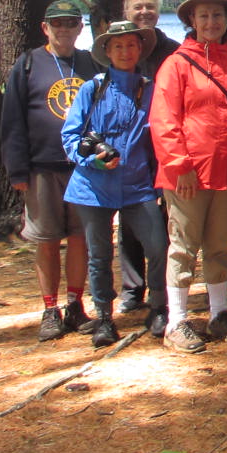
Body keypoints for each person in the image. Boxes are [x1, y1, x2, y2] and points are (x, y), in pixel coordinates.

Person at [150, 0, 227, 353]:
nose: (211, 22)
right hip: (188, 175)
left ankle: (219, 313)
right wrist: (180, 165)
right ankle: (177, 320)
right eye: (204, 15)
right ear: (192, 20)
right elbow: (163, 120)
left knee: (220, 246)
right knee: (183, 247)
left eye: (217, 15)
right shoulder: (176, 64)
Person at [1, 0, 101, 341]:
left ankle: (75, 305)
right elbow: (12, 120)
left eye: (71, 23)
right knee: (46, 240)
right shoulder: (30, 63)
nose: (64, 29)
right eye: (56, 23)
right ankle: (49, 309)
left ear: (80, 27)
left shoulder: (90, 63)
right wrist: (17, 170)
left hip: (84, 168)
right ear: (45, 28)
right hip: (42, 167)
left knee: (80, 238)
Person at [63, 20, 167, 346]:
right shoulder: (92, 89)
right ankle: (105, 319)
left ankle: (159, 308)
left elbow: (161, 137)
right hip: (93, 187)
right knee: (99, 255)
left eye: (131, 45)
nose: (125, 51)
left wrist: (160, 183)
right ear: (107, 51)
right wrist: (92, 159)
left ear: (140, 49)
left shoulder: (151, 90)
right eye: (118, 46)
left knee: (158, 246)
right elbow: (70, 136)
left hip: (138, 185)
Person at [117, 0, 180, 313]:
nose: (144, 13)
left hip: (165, 144)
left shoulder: (173, 51)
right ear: (127, 12)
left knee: (165, 220)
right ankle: (132, 288)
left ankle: (164, 287)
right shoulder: (119, 47)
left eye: (150, 7)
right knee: (129, 218)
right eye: (138, 7)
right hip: (128, 146)